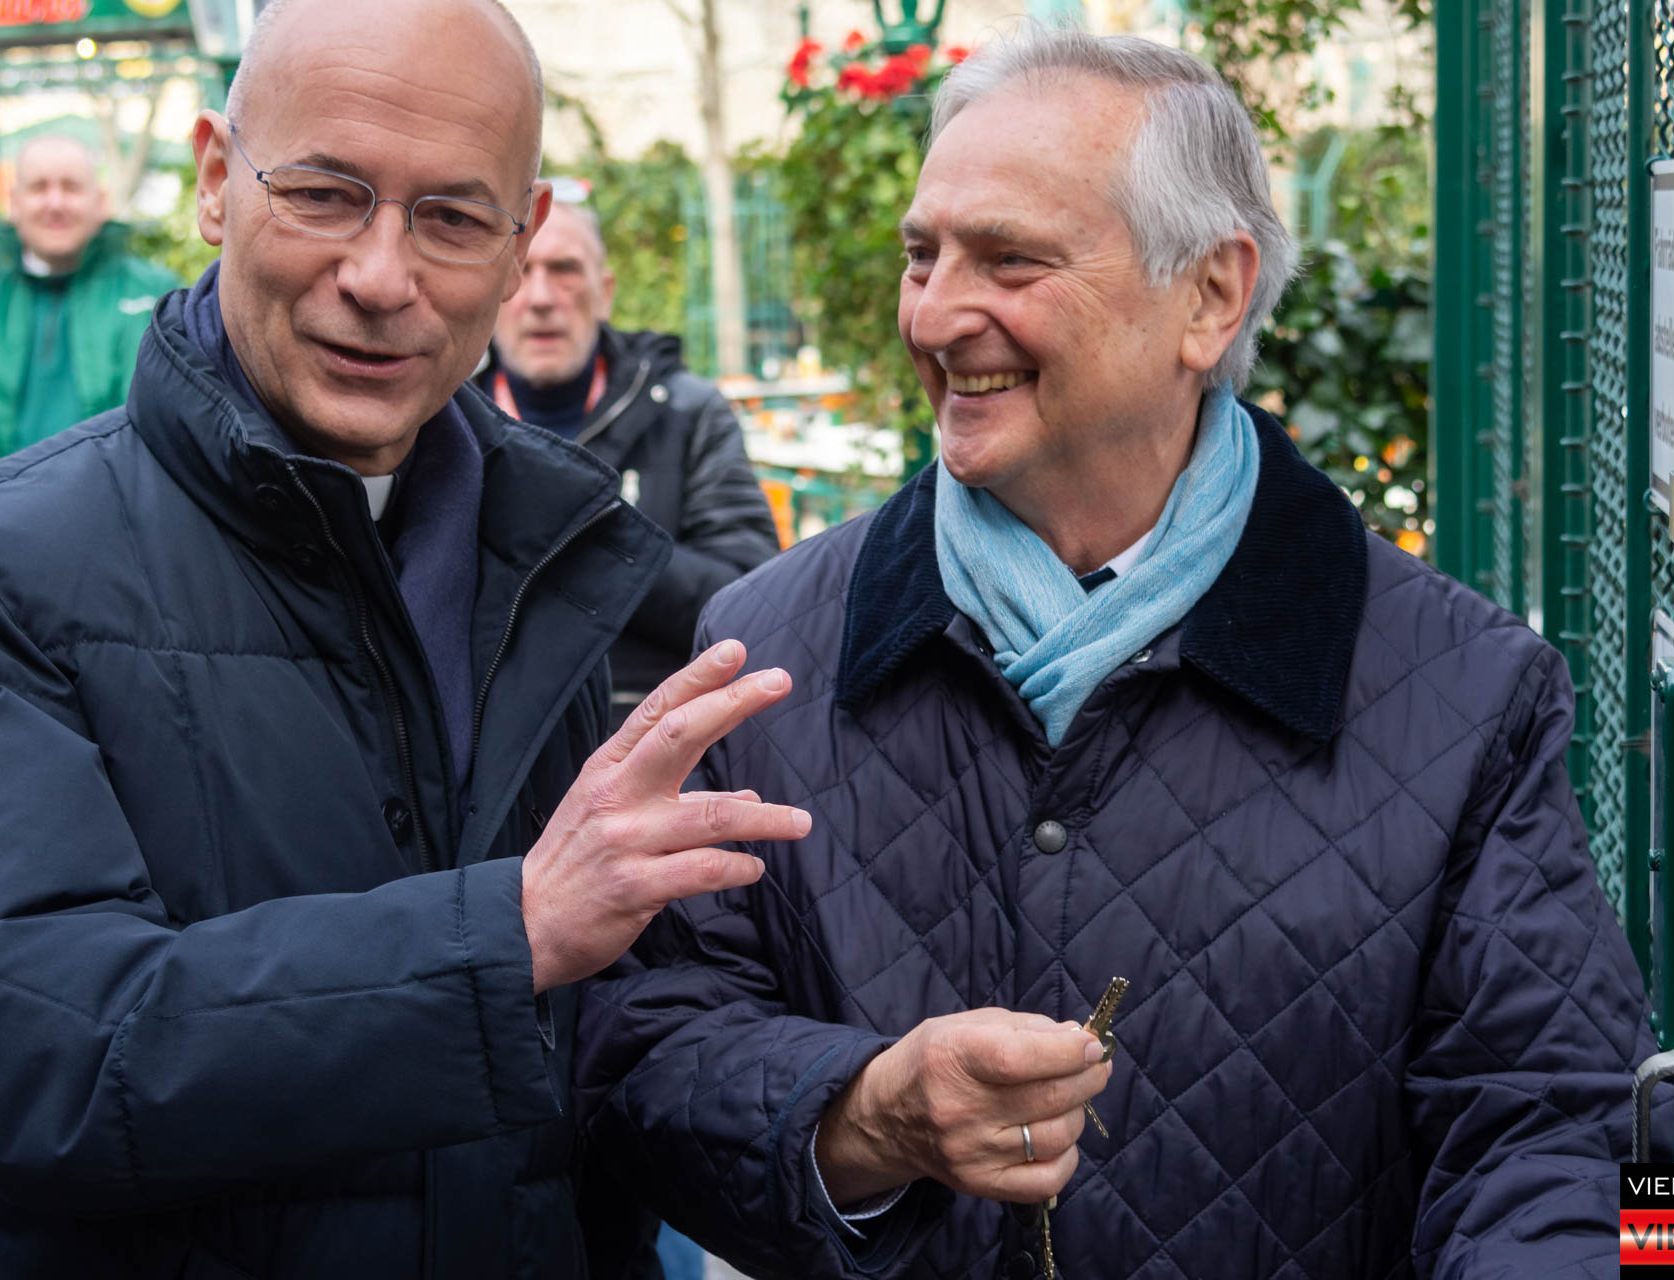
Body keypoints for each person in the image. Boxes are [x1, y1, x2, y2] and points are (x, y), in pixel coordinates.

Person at [576, 27, 1657, 1280]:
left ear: (1208, 296)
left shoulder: (1463, 688)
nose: (932, 313)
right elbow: (638, 1052)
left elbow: (1563, 1119)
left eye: (1008, 260)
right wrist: (859, 1112)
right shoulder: (763, 653)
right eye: (921, 255)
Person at [0, 0, 809, 1276]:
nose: (379, 275)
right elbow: (44, 1053)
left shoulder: (542, 556)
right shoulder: (5, 564)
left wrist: (848, 1119)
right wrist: (504, 933)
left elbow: (599, 1058)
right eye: (323, 194)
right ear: (213, 181)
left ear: (520, 249)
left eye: (452, 219)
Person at [480, 199, 779, 721]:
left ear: (606, 292)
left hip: (650, 738)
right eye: (521, 271)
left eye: (566, 270)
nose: (543, 297)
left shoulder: (688, 411)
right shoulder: (438, 421)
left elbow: (749, 604)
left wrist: (584, 533)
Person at [0, 134, 178, 466]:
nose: (55, 203)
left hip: (120, 506)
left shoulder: (159, 297)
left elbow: (177, 413)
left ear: (100, 202)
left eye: (71, 187)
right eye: (39, 187)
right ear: (15, 203)